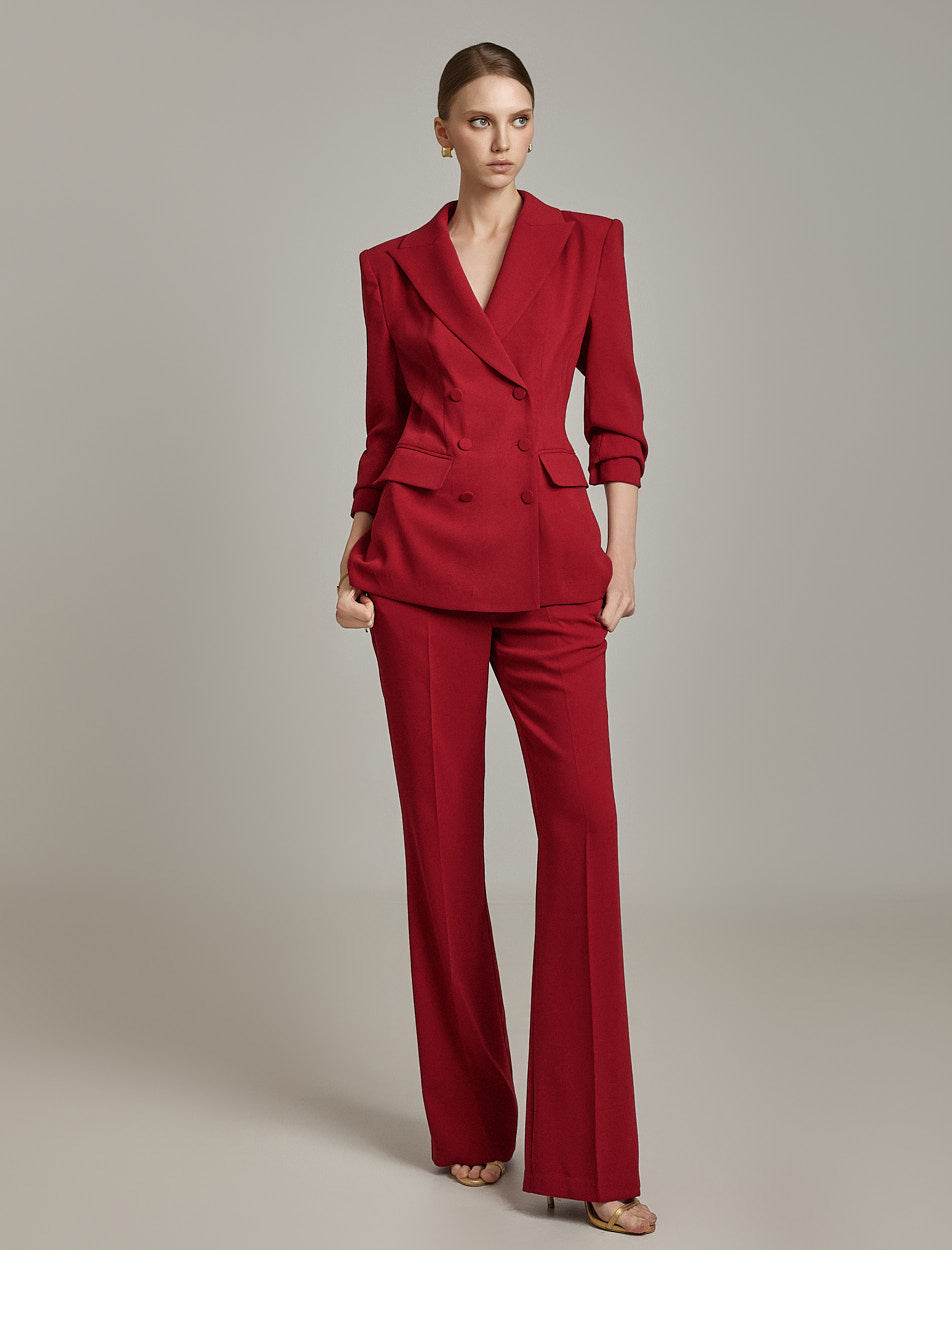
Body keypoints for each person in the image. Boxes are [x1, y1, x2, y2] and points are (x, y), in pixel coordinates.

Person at [335, 42, 657, 1237]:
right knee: (442, 843)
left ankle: (594, 1154)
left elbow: (616, 418)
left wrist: (620, 557)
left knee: (584, 830)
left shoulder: (588, 246)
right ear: (442, 134)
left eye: (518, 118)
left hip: (550, 562)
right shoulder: (391, 269)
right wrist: (353, 550)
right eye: (479, 120)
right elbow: (384, 429)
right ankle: (469, 1117)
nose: (503, 139)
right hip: (419, 564)